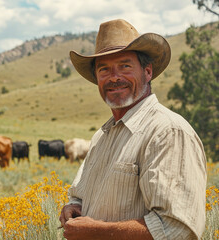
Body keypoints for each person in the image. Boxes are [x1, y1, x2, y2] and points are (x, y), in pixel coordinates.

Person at [59, 19, 207, 240]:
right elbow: (80, 195)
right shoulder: (103, 135)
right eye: (104, 69)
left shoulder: (167, 132)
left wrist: (94, 231)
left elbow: (178, 229)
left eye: (125, 66)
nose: (114, 77)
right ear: (97, 79)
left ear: (147, 72)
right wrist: (74, 207)